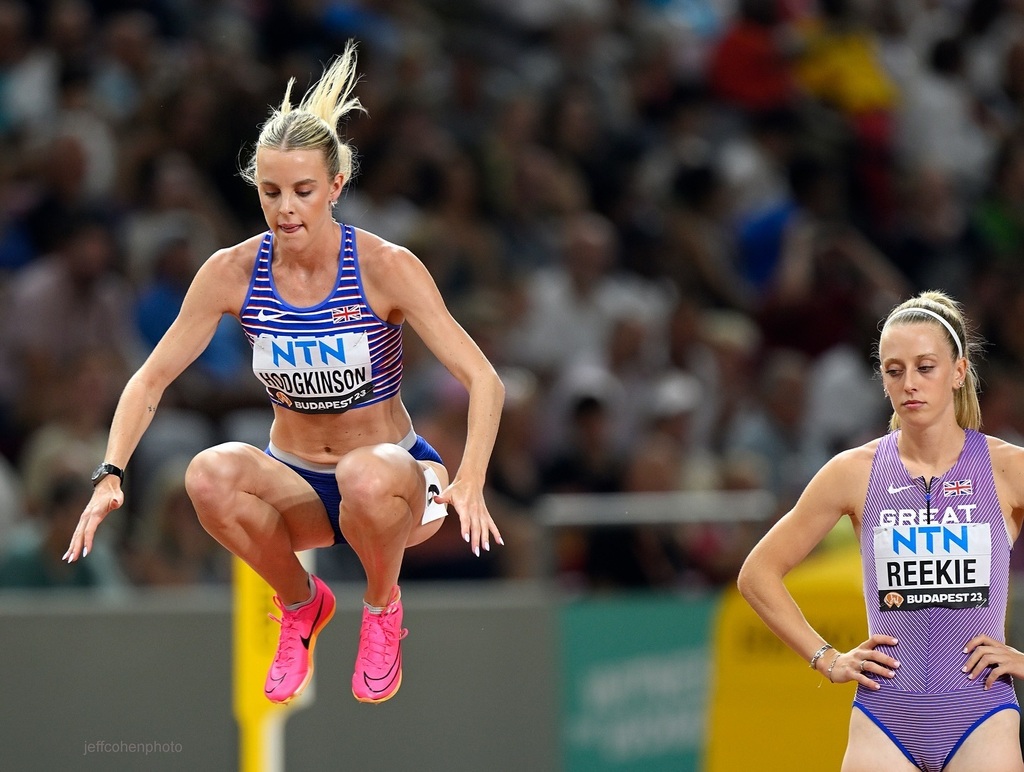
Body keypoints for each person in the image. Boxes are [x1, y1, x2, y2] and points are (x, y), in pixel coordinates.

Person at [62, 40, 505, 706]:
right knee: (206, 472)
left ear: (335, 186)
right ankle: (302, 604)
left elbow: (485, 379)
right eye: (271, 192)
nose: (286, 208)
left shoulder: (385, 267)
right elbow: (150, 379)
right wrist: (110, 473)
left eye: (302, 191)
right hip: (297, 483)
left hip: (394, 483)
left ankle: (383, 610)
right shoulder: (232, 272)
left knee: (362, 472)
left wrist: (470, 479)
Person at [738, 290, 1024, 771]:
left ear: (958, 372)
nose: (909, 383)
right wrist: (826, 659)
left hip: (981, 713)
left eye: (925, 367)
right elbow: (757, 574)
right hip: (885, 717)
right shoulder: (854, 472)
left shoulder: (1007, 469)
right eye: (895, 371)